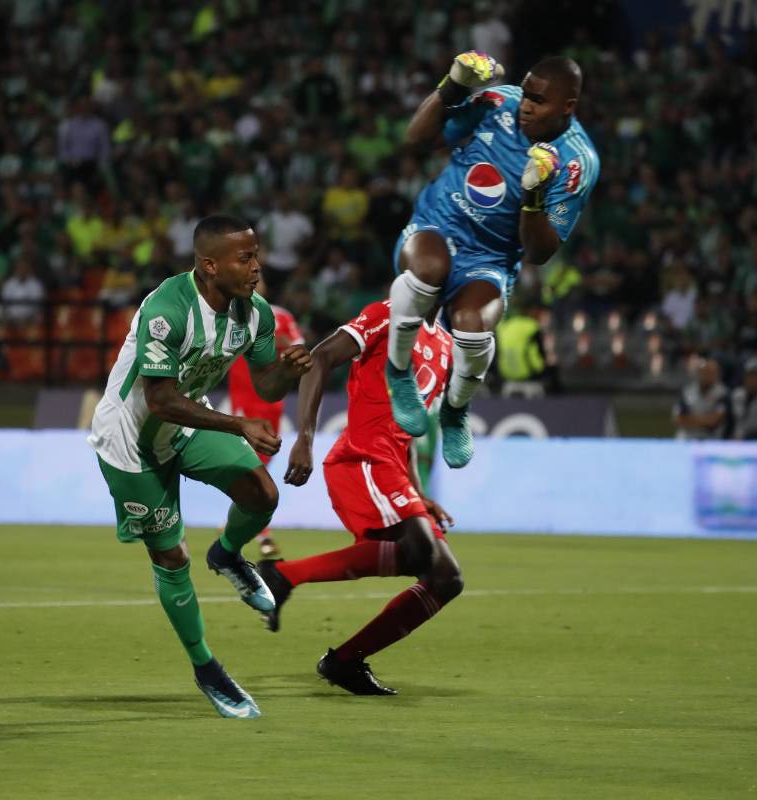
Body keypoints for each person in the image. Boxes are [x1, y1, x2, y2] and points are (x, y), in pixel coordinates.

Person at [87, 214, 312, 719]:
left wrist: (287, 372)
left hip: (187, 425)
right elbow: (161, 400)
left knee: (263, 495)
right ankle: (206, 666)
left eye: (257, 254)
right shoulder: (169, 309)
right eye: (246, 258)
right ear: (210, 265)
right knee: (170, 558)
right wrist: (238, 426)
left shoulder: (255, 315)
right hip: (131, 444)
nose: (257, 267)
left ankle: (229, 555)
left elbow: (264, 386)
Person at [386, 52, 599, 468]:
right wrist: (454, 86)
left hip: (491, 257)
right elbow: (416, 138)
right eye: (526, 95)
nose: (526, 106)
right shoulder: (499, 102)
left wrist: (534, 196)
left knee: (471, 326)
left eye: (538, 101)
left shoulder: (576, 162)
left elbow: (540, 253)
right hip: (438, 225)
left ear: (567, 107)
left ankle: (456, 409)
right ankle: (399, 373)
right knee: (428, 272)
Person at [270, 297, 461, 696]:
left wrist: (419, 494)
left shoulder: (446, 346)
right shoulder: (387, 314)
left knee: (446, 578)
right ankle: (284, 575)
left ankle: (345, 661)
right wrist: (305, 438)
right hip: (362, 458)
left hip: (393, 466)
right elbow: (319, 358)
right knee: (421, 551)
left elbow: (406, 430)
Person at [224, 274, 305, 558]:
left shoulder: (281, 316)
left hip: (272, 400)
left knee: (264, 460)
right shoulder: (232, 314)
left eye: (259, 279)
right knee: (251, 461)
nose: (256, 282)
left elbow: (299, 348)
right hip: (244, 398)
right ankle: (260, 531)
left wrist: (283, 344)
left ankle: (243, 519)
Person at [673, 356, 729, 440]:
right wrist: (706, 419)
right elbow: (677, 420)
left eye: (711, 373)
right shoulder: (688, 391)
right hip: (687, 437)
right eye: (705, 372)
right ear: (699, 373)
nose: (708, 376)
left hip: (711, 438)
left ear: (717, 375)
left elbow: (714, 421)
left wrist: (690, 419)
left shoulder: (722, 393)